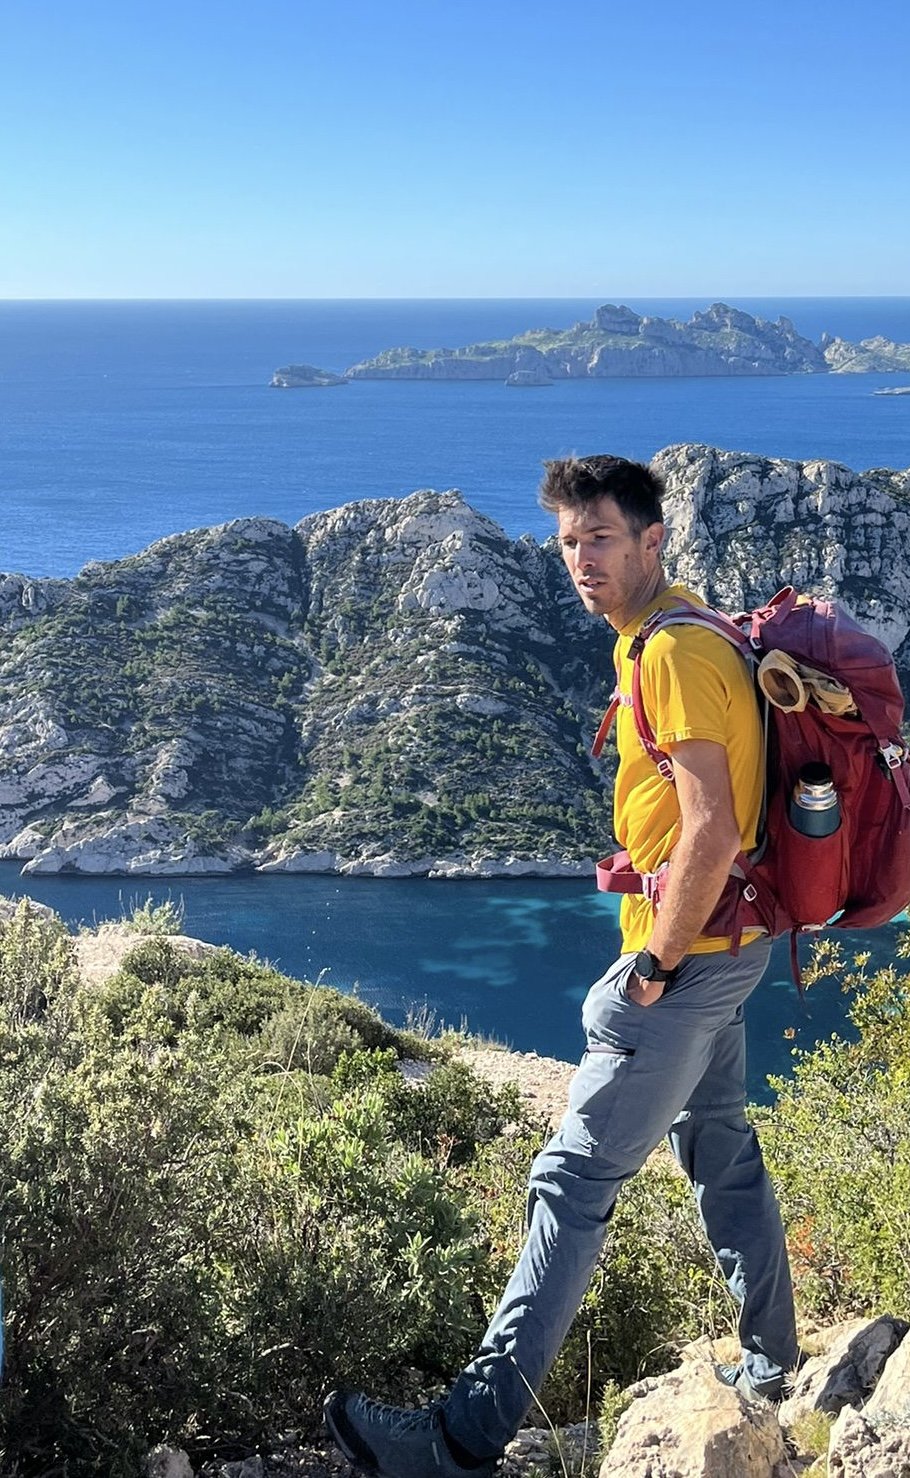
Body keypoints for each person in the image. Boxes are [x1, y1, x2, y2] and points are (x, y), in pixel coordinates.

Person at [324, 454, 798, 1477]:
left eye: (600, 538)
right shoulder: (688, 630)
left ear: (650, 538)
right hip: (736, 947)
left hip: (691, 958)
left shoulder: (672, 652)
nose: (581, 560)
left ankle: (460, 1438)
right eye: (567, 543)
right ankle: (772, 1364)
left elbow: (710, 831)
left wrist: (656, 964)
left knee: (570, 1179)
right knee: (720, 1151)